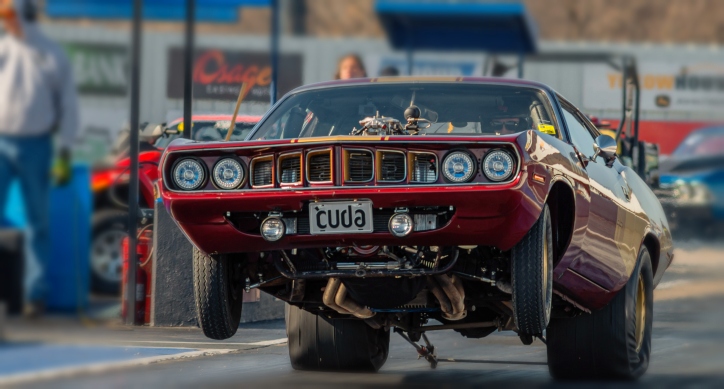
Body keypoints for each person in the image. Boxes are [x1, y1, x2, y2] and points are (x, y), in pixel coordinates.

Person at [0, 0, 78, 316]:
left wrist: (64, 152)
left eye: (10, 15)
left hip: (37, 145)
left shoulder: (51, 54)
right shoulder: (3, 49)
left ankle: (34, 294)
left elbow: (68, 107)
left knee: (37, 223)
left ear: (25, 16)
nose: (7, 21)